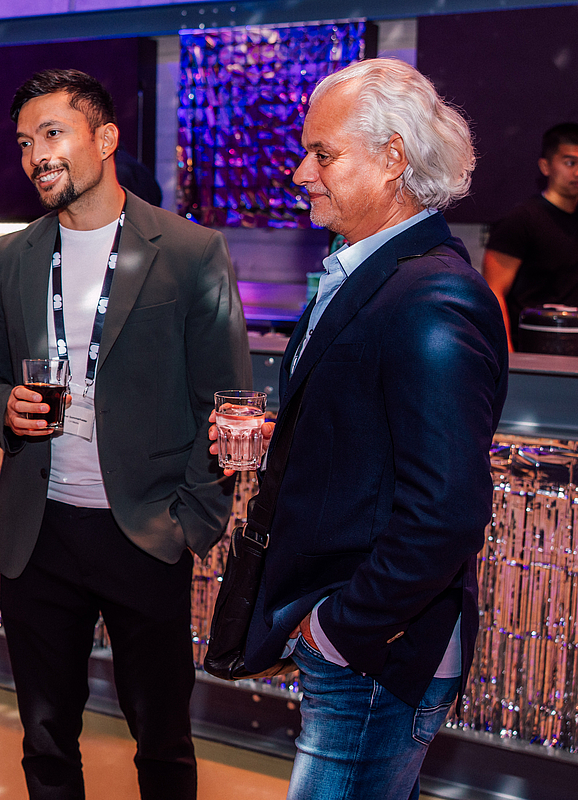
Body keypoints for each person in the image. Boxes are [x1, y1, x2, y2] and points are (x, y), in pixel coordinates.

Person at [218, 58, 508, 800]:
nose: (300, 174)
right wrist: (286, 435)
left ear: (392, 159)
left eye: (322, 154)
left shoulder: (432, 296)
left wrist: (339, 632)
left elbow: (446, 512)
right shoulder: (380, 275)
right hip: (364, 644)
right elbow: (376, 436)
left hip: (376, 653)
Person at [0, 69, 251, 800]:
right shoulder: (12, 255)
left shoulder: (189, 251)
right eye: (24, 142)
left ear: (107, 138)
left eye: (53, 133)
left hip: (145, 532)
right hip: (38, 534)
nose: (36, 156)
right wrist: (1, 405)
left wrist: (190, 523)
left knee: (161, 737)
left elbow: (225, 401)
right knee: (45, 737)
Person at [482, 122, 578, 351]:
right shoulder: (522, 220)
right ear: (545, 166)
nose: (577, 172)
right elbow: (493, 291)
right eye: (570, 163)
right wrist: (508, 356)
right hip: (531, 351)